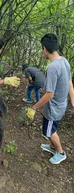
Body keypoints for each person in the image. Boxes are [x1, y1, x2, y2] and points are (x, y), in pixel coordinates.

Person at [26, 33, 74, 164]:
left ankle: (61, 152)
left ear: (44, 49)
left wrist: (34, 107)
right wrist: (73, 101)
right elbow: (70, 83)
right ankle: (53, 148)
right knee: (52, 128)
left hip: (54, 108)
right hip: (61, 104)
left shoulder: (52, 67)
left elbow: (49, 94)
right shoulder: (64, 61)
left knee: (49, 131)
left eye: (42, 49)